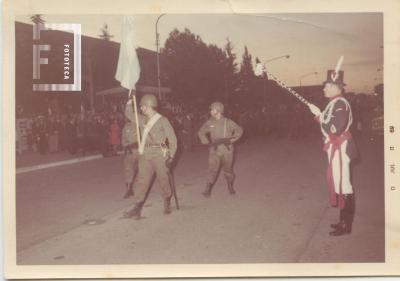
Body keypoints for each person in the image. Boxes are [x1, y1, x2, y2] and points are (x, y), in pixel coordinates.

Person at [308, 69, 357, 236]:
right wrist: (320, 115)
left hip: (341, 148)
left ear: (337, 87)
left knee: (344, 185)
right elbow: (330, 124)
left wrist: (320, 117)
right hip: (336, 148)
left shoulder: (341, 104)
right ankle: (343, 221)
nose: (324, 89)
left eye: (327, 86)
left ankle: (346, 225)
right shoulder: (334, 103)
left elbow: (336, 128)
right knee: (339, 183)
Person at [123, 94, 177, 219]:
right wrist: (129, 101)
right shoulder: (142, 119)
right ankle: (138, 206)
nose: (141, 109)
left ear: (148, 106)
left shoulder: (163, 120)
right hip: (146, 153)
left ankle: (167, 199)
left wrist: (171, 156)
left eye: (142, 106)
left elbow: (172, 139)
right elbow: (128, 114)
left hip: (160, 153)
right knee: (142, 181)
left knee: (163, 179)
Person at [198, 102, 243, 197]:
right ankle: (208, 189)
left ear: (218, 111)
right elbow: (201, 132)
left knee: (228, 170)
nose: (210, 111)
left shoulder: (228, 122)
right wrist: (206, 142)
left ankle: (230, 185)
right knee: (212, 170)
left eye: (212, 109)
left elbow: (239, 130)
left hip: (227, 150)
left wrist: (232, 140)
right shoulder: (209, 122)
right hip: (214, 150)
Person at [121, 99, 143, 199]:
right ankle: (129, 190)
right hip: (130, 152)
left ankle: (142, 190)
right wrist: (126, 146)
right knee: (128, 170)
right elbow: (123, 139)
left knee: (142, 170)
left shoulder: (140, 125)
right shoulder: (126, 127)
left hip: (139, 151)